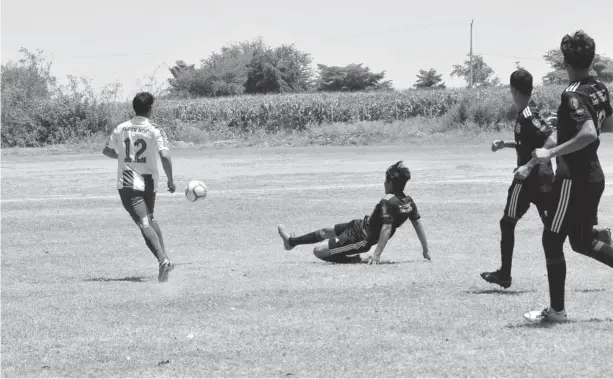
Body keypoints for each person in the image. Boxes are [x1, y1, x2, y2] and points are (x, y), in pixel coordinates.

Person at [525, 30, 613, 323]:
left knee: (552, 240)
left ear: (565, 62)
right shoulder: (598, 86)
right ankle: (557, 310)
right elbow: (605, 123)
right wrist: (564, 124)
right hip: (593, 175)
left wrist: (550, 153)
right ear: (591, 58)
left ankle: (557, 312)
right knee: (582, 242)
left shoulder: (573, 93)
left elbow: (588, 133)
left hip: (574, 178)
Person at [480, 69, 556, 289]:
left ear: (513, 90)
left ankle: (504, 275)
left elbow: (552, 139)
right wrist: (506, 144)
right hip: (544, 179)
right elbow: (533, 143)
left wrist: (528, 166)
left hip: (528, 180)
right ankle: (594, 235)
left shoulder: (527, 115)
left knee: (507, 223)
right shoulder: (531, 110)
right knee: (555, 227)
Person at [277, 161, 430, 265]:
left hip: (360, 238)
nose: (384, 183)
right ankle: (291, 242)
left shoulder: (388, 201)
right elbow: (417, 224)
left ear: (390, 183)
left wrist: (376, 254)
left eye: (385, 181)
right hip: (358, 225)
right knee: (324, 231)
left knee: (318, 251)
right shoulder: (408, 201)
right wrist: (425, 249)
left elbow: (387, 228)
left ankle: (357, 258)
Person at [102, 92, 176, 283]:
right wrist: (170, 180)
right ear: (150, 108)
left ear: (134, 108)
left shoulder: (121, 128)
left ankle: (162, 259)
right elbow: (165, 156)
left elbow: (107, 151)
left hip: (128, 181)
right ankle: (165, 258)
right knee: (150, 219)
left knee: (144, 223)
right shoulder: (155, 129)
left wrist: (123, 157)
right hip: (149, 181)